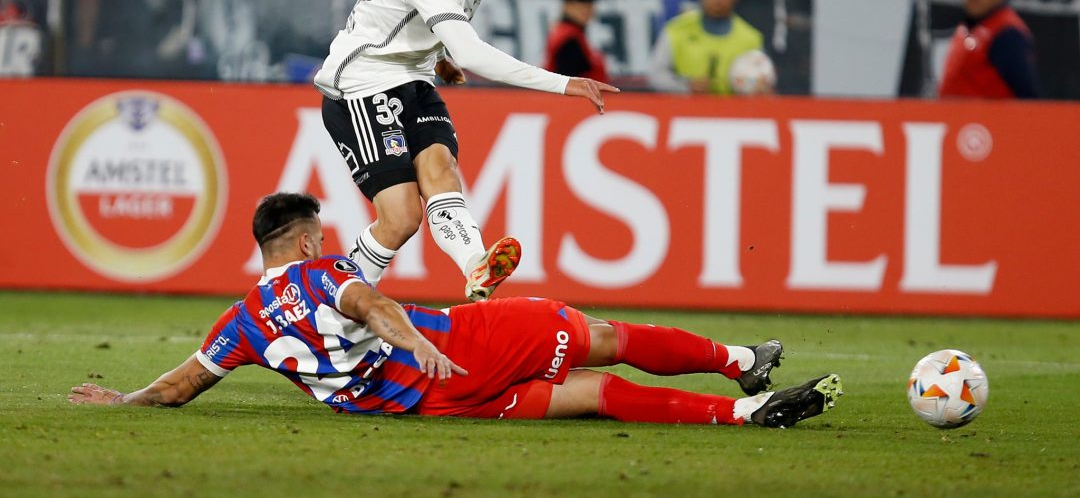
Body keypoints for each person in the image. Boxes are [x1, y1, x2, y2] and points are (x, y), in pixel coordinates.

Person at [69, 192, 844, 428]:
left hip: (431, 404)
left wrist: (126, 399)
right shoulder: (322, 273)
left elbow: (181, 384)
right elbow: (370, 302)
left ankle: (743, 413)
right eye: (322, 236)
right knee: (603, 337)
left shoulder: (239, 322)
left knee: (592, 396)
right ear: (304, 242)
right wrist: (417, 337)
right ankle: (739, 363)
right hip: (457, 344)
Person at [313, 0, 618, 301]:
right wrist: (564, 83)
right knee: (402, 218)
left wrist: (439, 57)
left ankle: (477, 266)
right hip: (362, 83)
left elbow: (414, 13)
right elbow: (473, 54)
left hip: (414, 75)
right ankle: (333, 304)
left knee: (441, 169)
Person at [648, 0, 770, 95]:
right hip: (686, 107)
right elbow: (656, 75)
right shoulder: (676, 30)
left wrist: (760, 89)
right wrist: (685, 86)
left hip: (732, 108)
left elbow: (763, 80)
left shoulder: (751, 39)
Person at [938, 0, 1039, 99]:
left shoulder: (1006, 32)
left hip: (986, 112)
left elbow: (1026, 92)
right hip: (954, 111)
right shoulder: (967, 26)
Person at [544, 0, 608, 81]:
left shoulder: (570, 33)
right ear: (567, 6)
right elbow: (567, 81)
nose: (587, 9)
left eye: (590, 4)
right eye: (580, 4)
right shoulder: (569, 39)